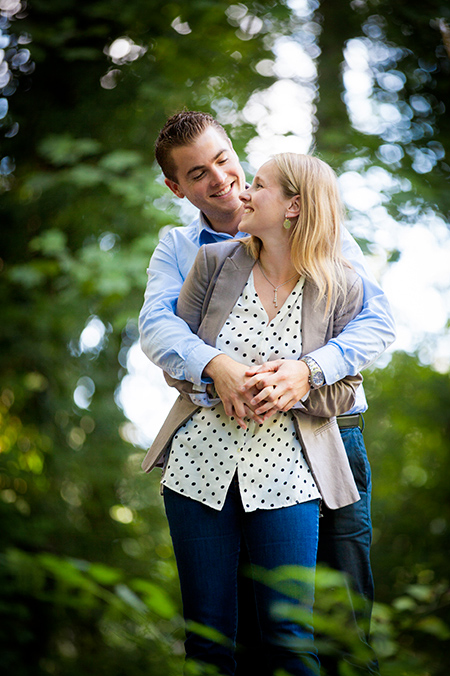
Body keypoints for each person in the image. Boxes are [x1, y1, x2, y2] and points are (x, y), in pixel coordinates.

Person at [140, 111, 392, 673]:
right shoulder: (186, 251)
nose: (222, 179)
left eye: (224, 159)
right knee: (248, 634)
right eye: (197, 172)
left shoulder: (317, 231)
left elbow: (373, 322)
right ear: (176, 187)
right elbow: (158, 328)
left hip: (329, 439)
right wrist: (214, 364)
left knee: (338, 618)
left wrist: (310, 370)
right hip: (218, 445)